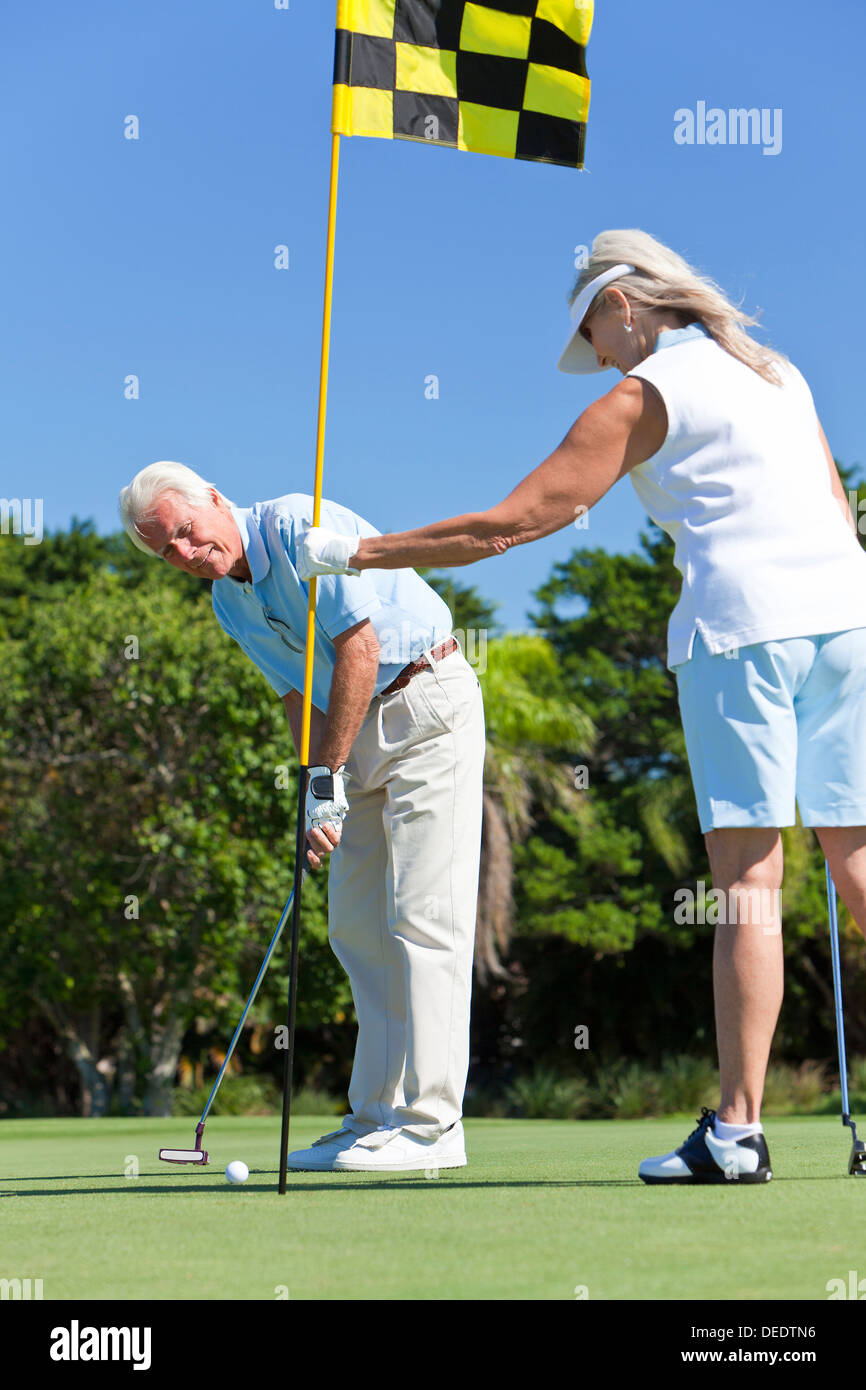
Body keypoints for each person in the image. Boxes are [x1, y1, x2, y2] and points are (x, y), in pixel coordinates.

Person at [299, 228, 866, 1184]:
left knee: (749, 882)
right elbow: (838, 512)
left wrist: (359, 553)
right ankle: (736, 1127)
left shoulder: (643, 394)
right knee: (855, 864)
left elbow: (514, 524)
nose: (595, 353)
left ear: (627, 304)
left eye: (593, 330)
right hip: (850, 619)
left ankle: (736, 1135)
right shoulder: (780, 371)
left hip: (742, 630)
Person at [118, 461, 485, 1173]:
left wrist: (327, 773)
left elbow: (360, 649)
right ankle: (373, 1118)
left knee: (422, 917)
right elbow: (298, 693)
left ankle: (432, 1125)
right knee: (355, 927)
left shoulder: (293, 525)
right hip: (350, 736)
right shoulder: (229, 603)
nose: (188, 555)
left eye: (188, 533)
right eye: (168, 552)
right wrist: (316, 789)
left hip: (423, 705)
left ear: (216, 500)